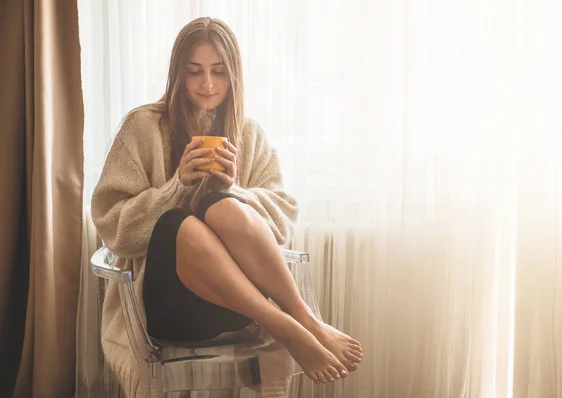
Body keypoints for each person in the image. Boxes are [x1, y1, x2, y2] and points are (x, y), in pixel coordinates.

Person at [91, 17, 362, 392]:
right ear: (177, 75)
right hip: (168, 307)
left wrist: (237, 190)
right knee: (177, 222)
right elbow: (111, 222)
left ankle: (304, 320)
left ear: (233, 75)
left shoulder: (249, 134)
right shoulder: (143, 127)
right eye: (195, 72)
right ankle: (286, 327)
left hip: (239, 304)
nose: (207, 84)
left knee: (221, 205)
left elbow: (284, 216)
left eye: (218, 72)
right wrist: (176, 186)